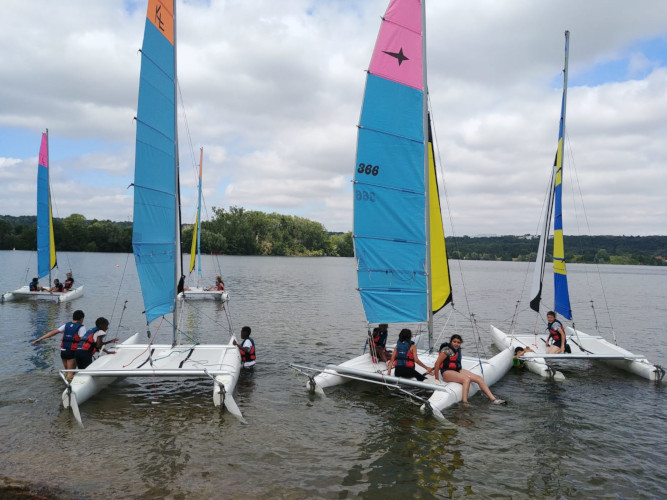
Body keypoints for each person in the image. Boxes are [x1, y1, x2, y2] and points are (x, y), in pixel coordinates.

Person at [433, 334, 505, 405]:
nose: (456, 344)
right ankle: (465, 402)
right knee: (466, 379)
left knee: (479, 378)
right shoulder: (447, 350)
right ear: (451, 342)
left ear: (460, 343)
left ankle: (493, 399)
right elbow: (437, 363)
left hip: (457, 370)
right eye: (454, 342)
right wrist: (437, 379)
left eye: (458, 342)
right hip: (446, 372)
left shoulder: (457, 350)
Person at [33, 310, 86, 381]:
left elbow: (52, 332)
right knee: (71, 372)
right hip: (71, 352)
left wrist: (40, 339)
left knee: (66, 371)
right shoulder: (81, 327)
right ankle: (69, 389)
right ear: (82, 319)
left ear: (73, 317)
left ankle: (63, 385)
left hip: (63, 351)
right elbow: (84, 341)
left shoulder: (66, 325)